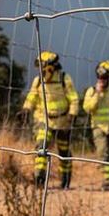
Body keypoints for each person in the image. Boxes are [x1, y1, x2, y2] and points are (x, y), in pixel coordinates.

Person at [23, 50, 77, 188]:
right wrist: (26, 109)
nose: (42, 71)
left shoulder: (64, 79)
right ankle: (39, 177)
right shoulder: (38, 81)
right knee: (42, 146)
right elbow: (32, 96)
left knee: (63, 150)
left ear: (52, 67)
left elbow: (73, 98)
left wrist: (72, 114)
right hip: (43, 119)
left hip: (62, 121)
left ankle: (65, 179)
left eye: (44, 68)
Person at [81, 61, 109, 190]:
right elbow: (88, 108)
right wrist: (98, 94)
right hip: (98, 127)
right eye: (99, 77)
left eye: (104, 77)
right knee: (103, 152)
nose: (101, 80)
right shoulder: (91, 91)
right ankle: (108, 180)